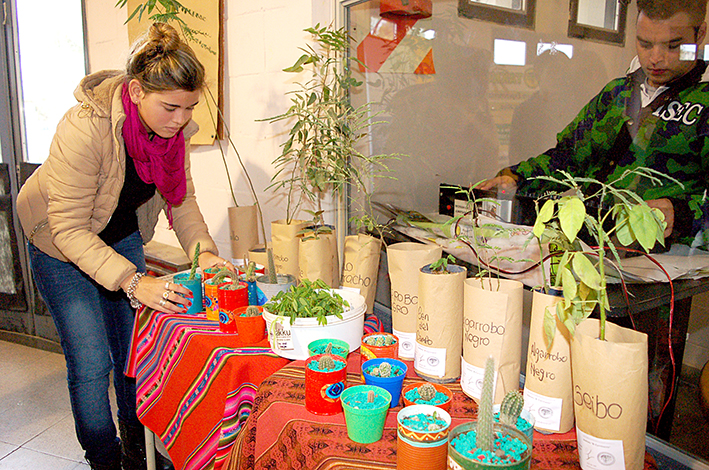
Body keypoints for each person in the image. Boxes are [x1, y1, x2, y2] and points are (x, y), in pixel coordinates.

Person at [16, 22, 234, 470]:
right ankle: (104, 458)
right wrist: (134, 282)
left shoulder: (175, 132)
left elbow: (182, 200)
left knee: (134, 354)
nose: (181, 120)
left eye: (190, 108)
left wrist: (204, 253)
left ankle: (139, 448)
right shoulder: (85, 128)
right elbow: (69, 229)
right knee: (92, 363)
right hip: (59, 243)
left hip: (119, 233)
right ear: (136, 92)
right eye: (170, 107)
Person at [481, 0, 709, 246]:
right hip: (594, 245)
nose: (655, 58)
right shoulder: (617, 94)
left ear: (701, 34)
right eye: (644, 44)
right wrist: (516, 179)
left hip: (668, 261)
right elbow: (569, 157)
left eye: (673, 45)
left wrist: (683, 215)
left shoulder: (703, 102)